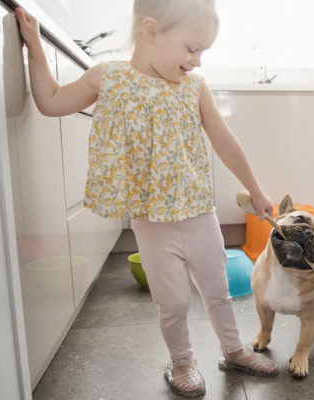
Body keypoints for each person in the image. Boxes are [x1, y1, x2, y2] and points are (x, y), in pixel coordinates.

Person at [15, 0, 278, 397]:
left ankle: (233, 349)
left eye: (203, 52)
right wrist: (35, 47)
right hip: (151, 220)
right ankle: (182, 362)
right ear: (152, 32)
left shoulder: (194, 87)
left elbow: (224, 141)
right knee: (171, 301)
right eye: (192, 49)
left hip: (198, 210)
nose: (198, 61)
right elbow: (50, 101)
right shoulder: (110, 78)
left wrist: (257, 190)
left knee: (217, 290)